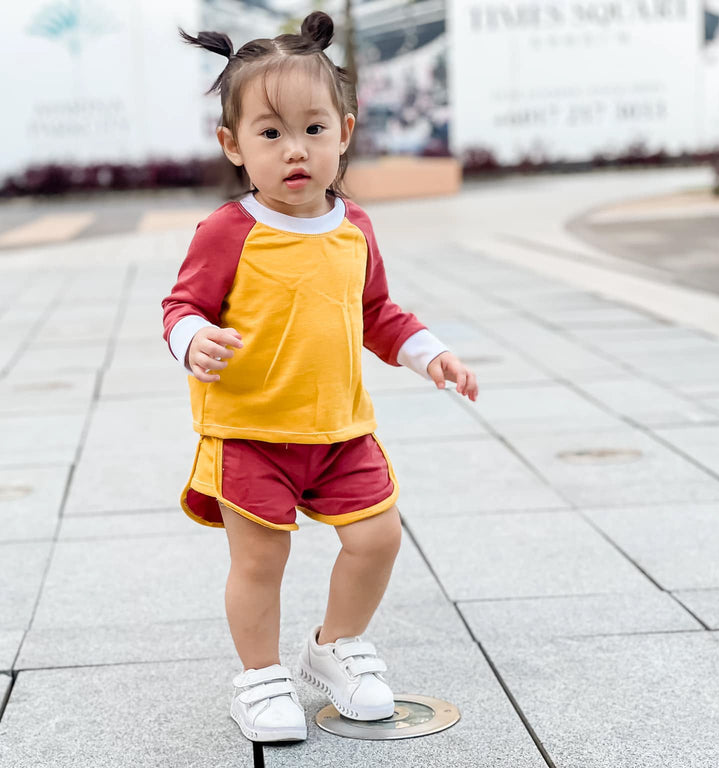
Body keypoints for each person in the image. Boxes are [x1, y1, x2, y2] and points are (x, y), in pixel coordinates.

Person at [161, 12, 478, 743]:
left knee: (378, 536)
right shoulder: (227, 231)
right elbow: (183, 304)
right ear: (233, 146)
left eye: (313, 129)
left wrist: (430, 352)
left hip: (341, 427)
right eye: (270, 133)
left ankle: (334, 646)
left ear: (345, 132)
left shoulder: (354, 227)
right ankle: (261, 677)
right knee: (261, 555)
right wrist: (192, 339)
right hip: (250, 430)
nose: (295, 150)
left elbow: (376, 312)